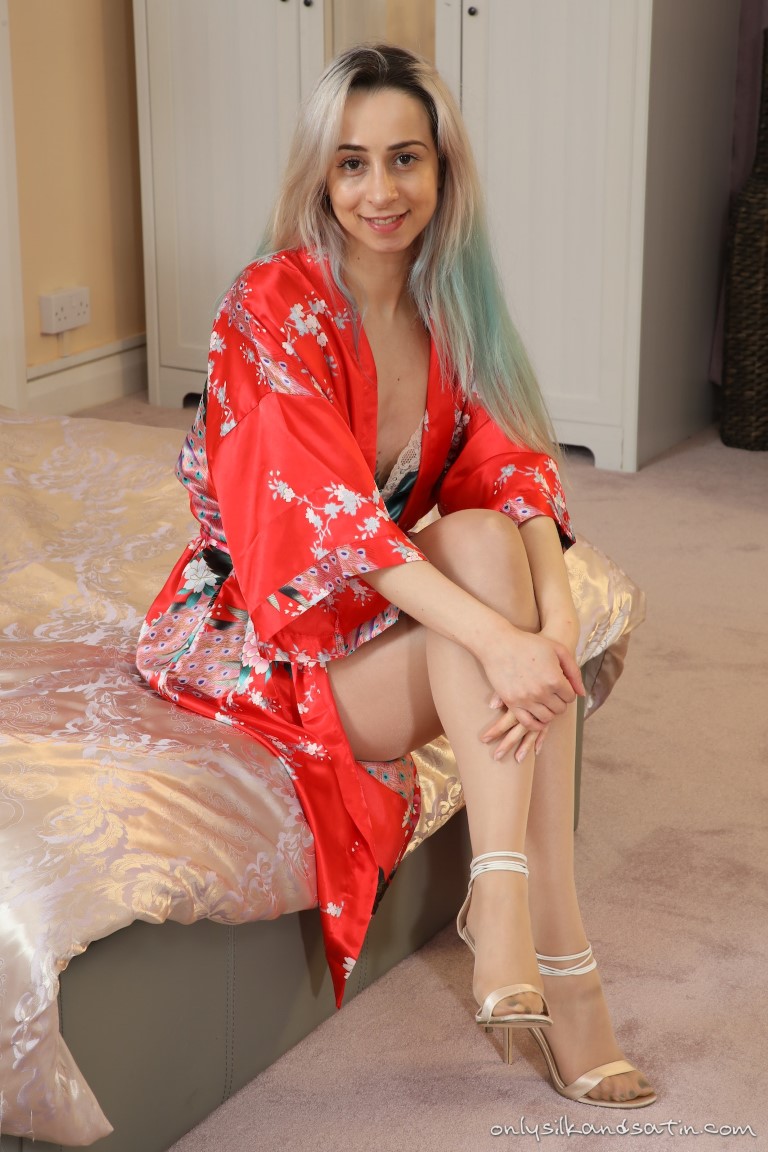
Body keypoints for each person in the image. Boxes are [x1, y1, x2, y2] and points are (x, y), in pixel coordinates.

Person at [137, 44, 655, 1108]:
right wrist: (503, 641)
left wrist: (553, 630)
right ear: (321, 176)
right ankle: (553, 947)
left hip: (380, 606)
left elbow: (513, 475)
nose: (381, 191)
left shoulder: (448, 305)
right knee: (488, 624)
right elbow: (331, 524)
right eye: (352, 163)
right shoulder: (268, 303)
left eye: (405, 159)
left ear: (442, 168)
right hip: (272, 634)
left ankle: (509, 898)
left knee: (486, 542)